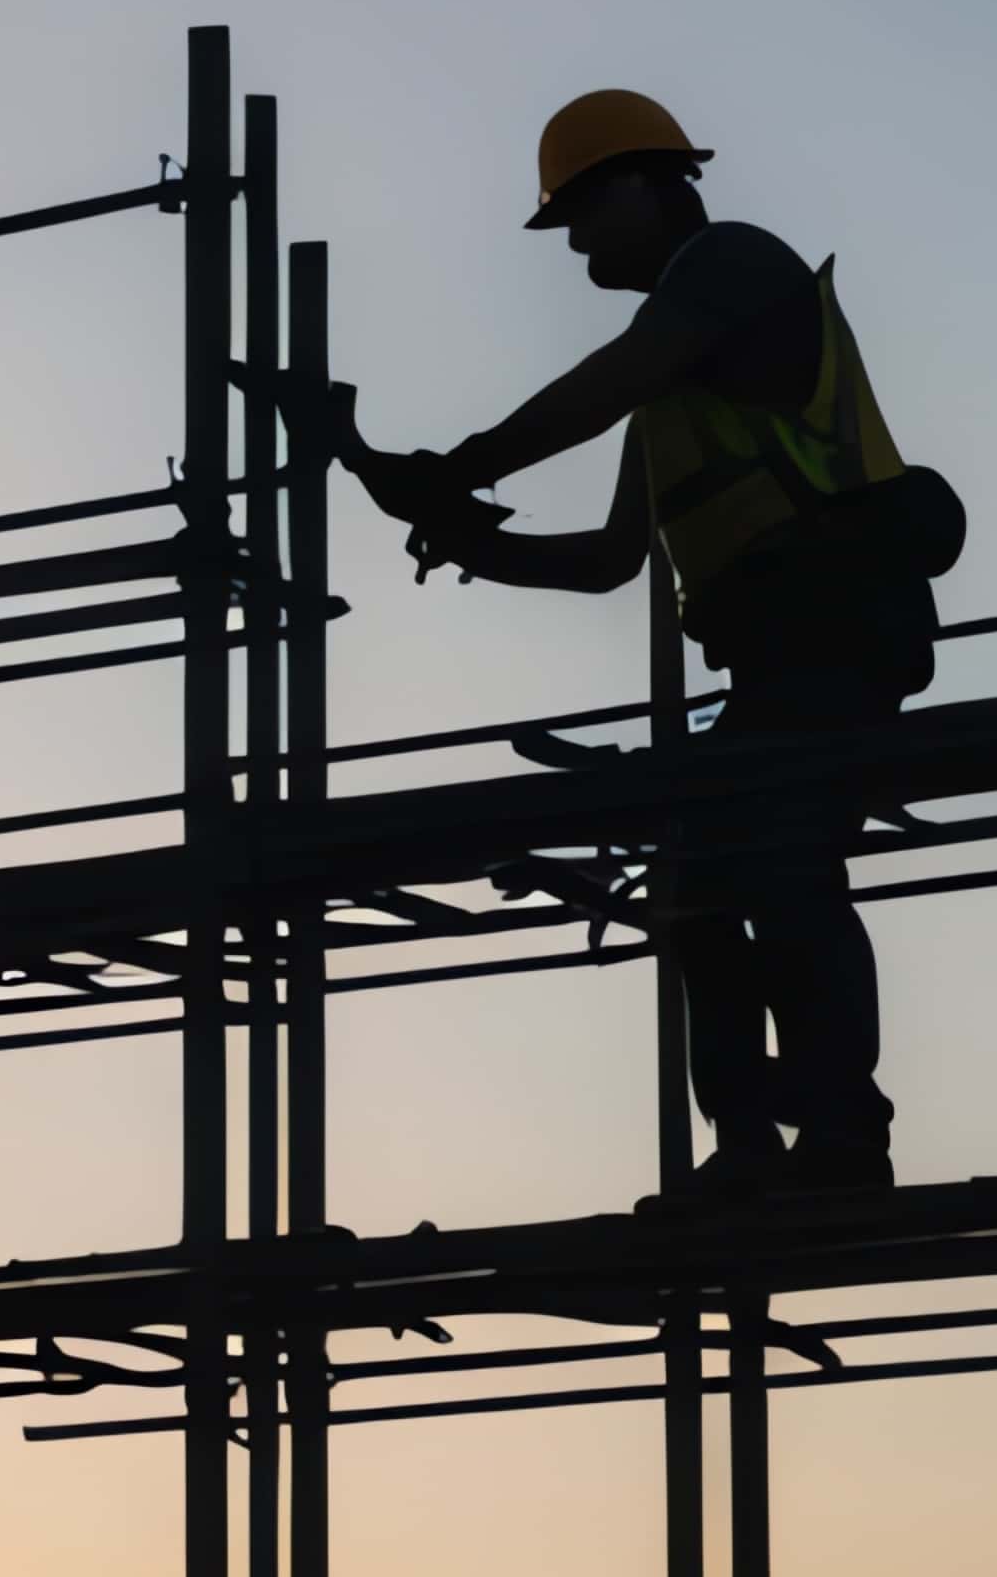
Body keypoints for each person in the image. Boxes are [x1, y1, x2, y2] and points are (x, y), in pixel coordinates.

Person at [343, 89, 957, 1194]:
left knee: (780, 863)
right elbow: (611, 559)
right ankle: (754, 1144)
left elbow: (608, 381)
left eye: (579, 214)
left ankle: (840, 1139)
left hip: (840, 623)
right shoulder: (675, 379)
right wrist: (463, 536)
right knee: (695, 889)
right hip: (775, 656)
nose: (573, 243)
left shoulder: (730, 267)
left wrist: (462, 464)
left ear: (641, 184)